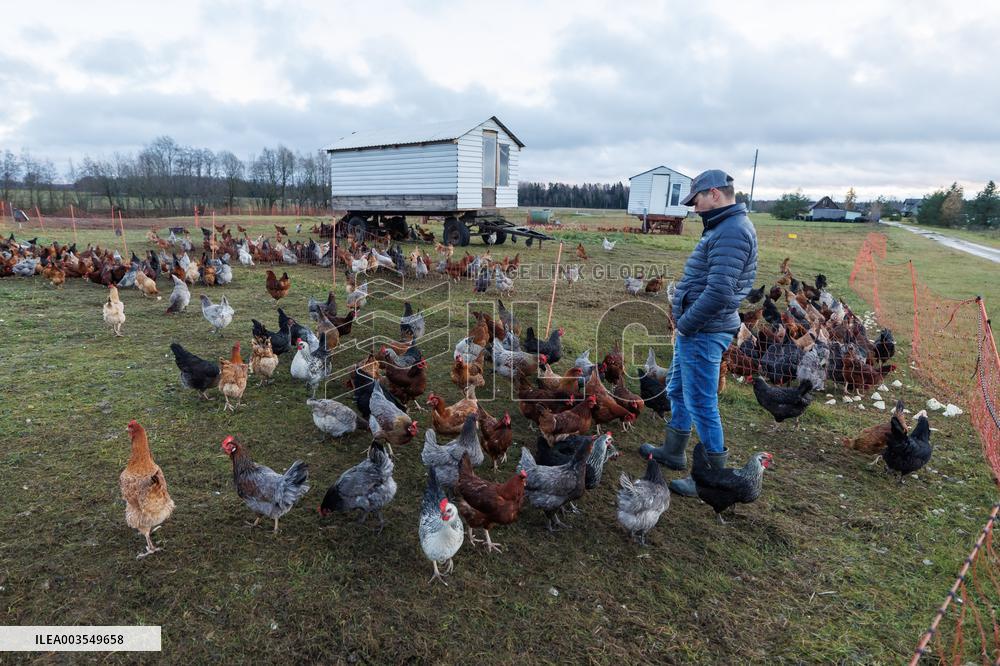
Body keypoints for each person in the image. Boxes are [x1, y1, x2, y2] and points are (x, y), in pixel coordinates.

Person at [639, 170, 758, 497]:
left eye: (697, 200)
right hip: (698, 328)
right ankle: (674, 450)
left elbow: (720, 292)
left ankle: (711, 477)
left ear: (715, 194)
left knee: (702, 402)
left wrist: (686, 324)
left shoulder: (732, 231)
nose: (695, 208)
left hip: (704, 330)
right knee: (678, 389)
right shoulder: (723, 227)